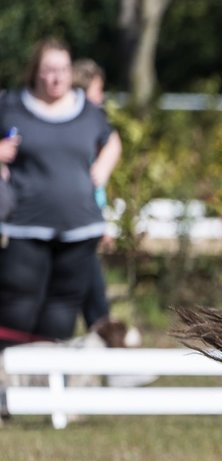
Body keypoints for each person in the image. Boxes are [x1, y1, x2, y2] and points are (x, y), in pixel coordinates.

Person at [0, 39, 118, 344]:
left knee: (62, 310)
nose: (57, 78)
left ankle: (50, 383)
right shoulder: (12, 105)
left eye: (63, 70)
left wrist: (103, 168)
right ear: (36, 72)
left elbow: (112, 140)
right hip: (25, 225)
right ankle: (10, 380)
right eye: (50, 70)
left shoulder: (87, 111)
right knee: (19, 306)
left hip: (79, 227)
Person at [72, 57, 119, 330]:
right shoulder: (83, 130)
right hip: (82, 220)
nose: (101, 98)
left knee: (92, 295)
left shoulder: (91, 128)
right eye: (97, 91)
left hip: (87, 218)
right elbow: (92, 181)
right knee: (94, 299)